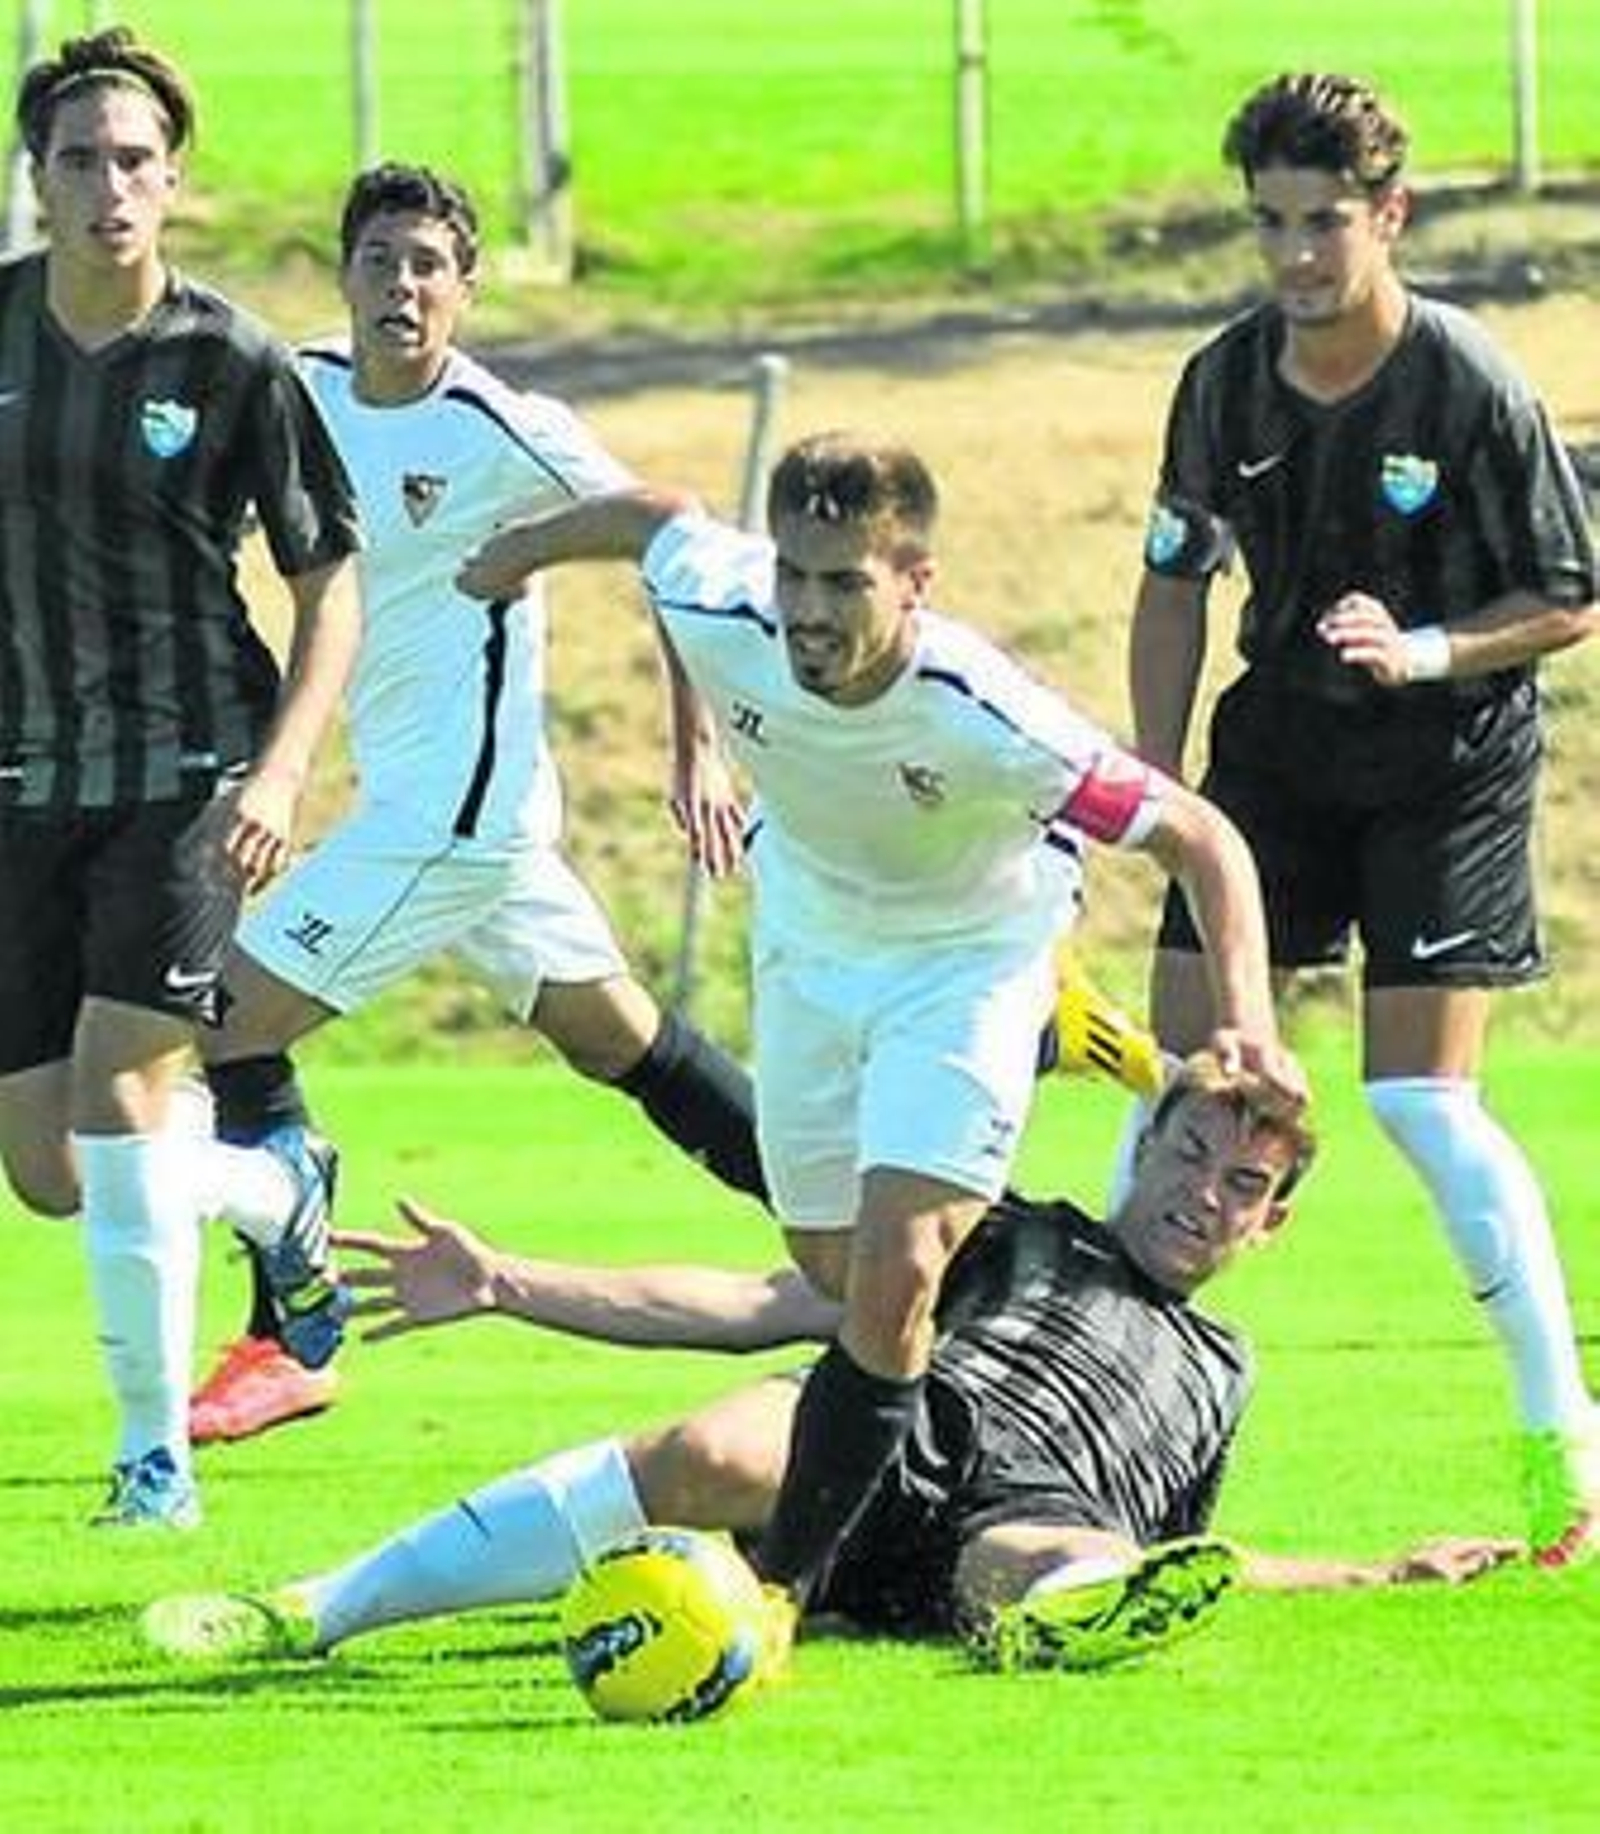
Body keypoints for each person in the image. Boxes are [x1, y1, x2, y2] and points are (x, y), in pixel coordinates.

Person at [453, 431, 1305, 1616]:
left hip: (972, 958)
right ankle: (1060, 1034)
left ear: (915, 580)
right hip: (812, 937)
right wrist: (526, 554)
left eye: (843, 582)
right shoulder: (727, 598)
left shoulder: (985, 711)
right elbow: (652, 519)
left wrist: (1247, 1025)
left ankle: (780, 1594)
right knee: (833, 1265)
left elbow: (1200, 838)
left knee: (903, 1269)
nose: (807, 609)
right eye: (795, 573)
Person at [142, 1055, 1521, 1676]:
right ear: (1144, 1146)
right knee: (730, 1441)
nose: (1202, 1194)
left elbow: (1197, 1555)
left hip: (1032, 1522)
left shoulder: (1223, 1366)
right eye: (1187, 1156)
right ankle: (318, 1605)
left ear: (1269, 1224)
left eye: (1241, 1185)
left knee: (1048, 1564)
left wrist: (1377, 1569)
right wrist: (508, 1282)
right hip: (898, 1436)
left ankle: (1062, 1615)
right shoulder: (1005, 1228)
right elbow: (753, 1299)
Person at [185, 162, 772, 1446]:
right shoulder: (301, 389)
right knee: (621, 1043)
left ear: (466, 287)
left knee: (223, 1020)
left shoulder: (501, 426)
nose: (403, 286)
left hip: (452, 818)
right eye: (380, 260)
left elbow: (672, 529)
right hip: (467, 827)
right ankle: (900, 1227)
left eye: (428, 265)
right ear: (344, 272)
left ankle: (294, 1334)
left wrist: (698, 740)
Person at [1125, 71, 1600, 1566]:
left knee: (1419, 1107)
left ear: (1387, 216)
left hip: (1443, 758)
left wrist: (1430, 650)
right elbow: (1170, 580)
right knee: (1179, 1076)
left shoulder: (1468, 383)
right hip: (1273, 749)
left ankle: (1562, 1443)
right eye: (1269, 223)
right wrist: (1146, 786)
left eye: (1324, 222)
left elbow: (1569, 596)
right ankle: (1074, 1390)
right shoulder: (1221, 381)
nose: (1295, 256)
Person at [0, 29, 364, 1527]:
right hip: (23, 784)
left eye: (134, 161)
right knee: (51, 1171)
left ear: (175, 180)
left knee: (122, 1092)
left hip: (192, 774)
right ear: (36, 177)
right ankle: (280, 1194)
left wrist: (279, 776)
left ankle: (152, 1459)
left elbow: (332, 573)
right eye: (78, 161)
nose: (108, 189)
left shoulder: (233, 360)